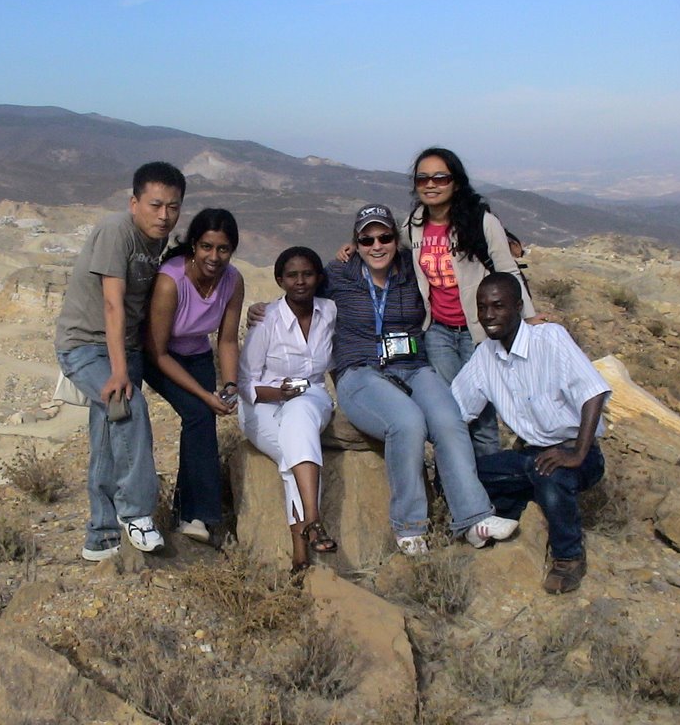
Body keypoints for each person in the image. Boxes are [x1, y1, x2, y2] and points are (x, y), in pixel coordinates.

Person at [254, 205, 518, 555]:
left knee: (448, 419)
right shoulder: (340, 273)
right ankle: (409, 526)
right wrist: (265, 309)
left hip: (412, 365)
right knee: (407, 422)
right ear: (356, 243)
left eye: (384, 237)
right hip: (360, 371)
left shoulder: (412, 268)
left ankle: (473, 518)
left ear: (397, 239)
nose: (376, 245)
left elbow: (449, 276)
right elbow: (300, 290)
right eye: (366, 239)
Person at [337, 148, 538, 457]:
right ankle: (454, 482)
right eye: (422, 179)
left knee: (482, 415)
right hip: (438, 331)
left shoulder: (481, 222)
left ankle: (493, 486)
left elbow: (508, 270)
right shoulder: (413, 224)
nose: (431, 184)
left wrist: (529, 317)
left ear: (455, 182)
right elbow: (388, 247)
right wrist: (359, 246)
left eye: (440, 177)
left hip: (479, 332)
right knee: (453, 407)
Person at [55, 161, 185, 562]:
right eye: (155, 205)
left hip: (122, 349)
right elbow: (113, 303)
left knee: (108, 435)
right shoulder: (117, 232)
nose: (164, 215)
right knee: (126, 406)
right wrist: (119, 371)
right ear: (134, 203)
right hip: (86, 345)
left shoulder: (155, 240)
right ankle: (137, 512)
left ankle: (101, 536)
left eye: (173, 207)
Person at [451, 272, 611, 594]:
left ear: (518, 307)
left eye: (498, 306)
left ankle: (568, 558)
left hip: (573, 452)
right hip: (529, 455)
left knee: (551, 479)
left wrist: (577, 453)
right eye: (482, 308)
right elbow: (456, 408)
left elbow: (593, 393)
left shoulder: (549, 339)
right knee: (462, 475)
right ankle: (509, 514)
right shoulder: (485, 356)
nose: (488, 316)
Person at [144, 209, 245, 544]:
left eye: (223, 249)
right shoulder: (171, 280)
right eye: (206, 247)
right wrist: (205, 395)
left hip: (197, 353)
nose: (214, 257)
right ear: (193, 246)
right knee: (200, 411)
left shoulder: (233, 281)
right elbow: (157, 352)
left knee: (202, 421)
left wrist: (230, 384)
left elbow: (227, 339)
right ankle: (196, 514)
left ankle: (187, 512)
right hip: (161, 356)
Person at [239, 247, 337, 573]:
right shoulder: (266, 319)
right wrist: (276, 391)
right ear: (280, 280)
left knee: (298, 417)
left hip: (310, 397)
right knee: (294, 452)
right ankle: (308, 535)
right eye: (292, 275)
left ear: (318, 278)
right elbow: (244, 382)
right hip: (262, 406)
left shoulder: (330, 312)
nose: (300, 281)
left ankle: (307, 535)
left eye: (307, 274)